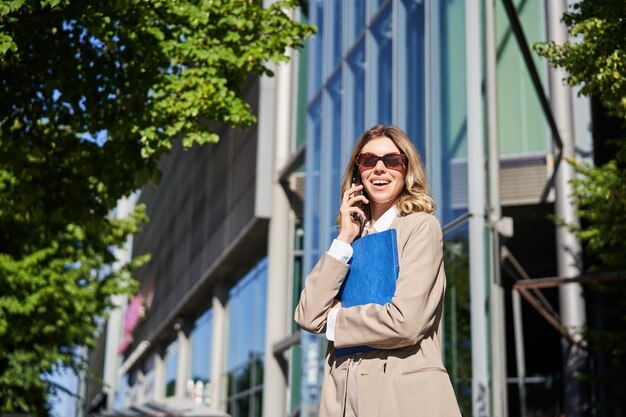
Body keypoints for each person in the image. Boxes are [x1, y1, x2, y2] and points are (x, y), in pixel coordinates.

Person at [295, 125, 462, 417]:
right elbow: (308, 315)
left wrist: (335, 320)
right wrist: (344, 237)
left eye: (392, 160)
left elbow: (405, 321)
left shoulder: (420, 227)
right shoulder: (351, 240)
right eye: (369, 160)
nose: (379, 169)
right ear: (358, 171)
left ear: (406, 169)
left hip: (403, 400)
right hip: (342, 400)